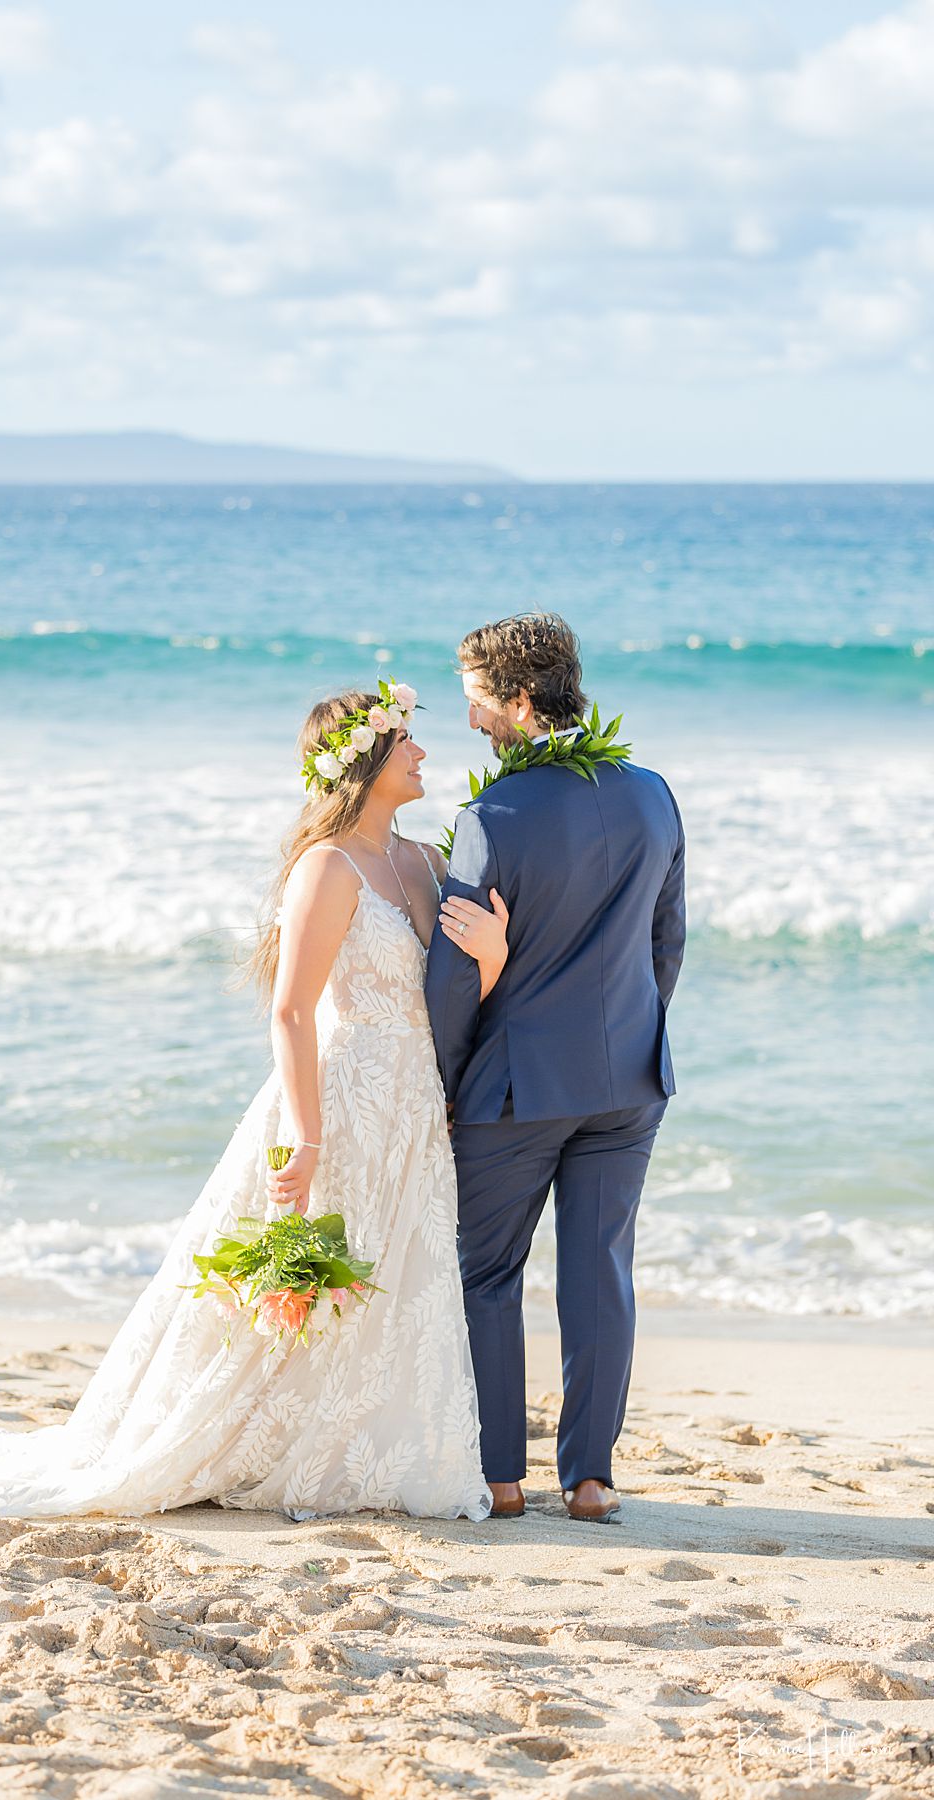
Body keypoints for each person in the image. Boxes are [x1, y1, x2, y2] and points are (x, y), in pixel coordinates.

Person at [0, 681, 498, 1524]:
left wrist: (490, 964)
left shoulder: (429, 860)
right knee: (316, 1277)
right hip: (342, 1094)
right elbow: (289, 1009)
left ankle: (360, 1445)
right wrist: (305, 1136)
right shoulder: (327, 867)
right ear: (364, 761)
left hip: (417, 1104)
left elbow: (457, 994)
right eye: (405, 741)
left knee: (396, 1277)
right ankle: (254, 1442)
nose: (424, 752)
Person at [426, 614, 686, 1525]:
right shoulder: (654, 793)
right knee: (600, 1270)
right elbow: (666, 949)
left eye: (477, 702)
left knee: (487, 1273)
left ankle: (502, 1479)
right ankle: (590, 1481)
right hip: (629, 1080)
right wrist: (632, 1040)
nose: (470, 723)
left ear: (522, 700)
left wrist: (445, 1084)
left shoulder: (488, 818)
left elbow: (455, 979)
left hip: (514, 1085)